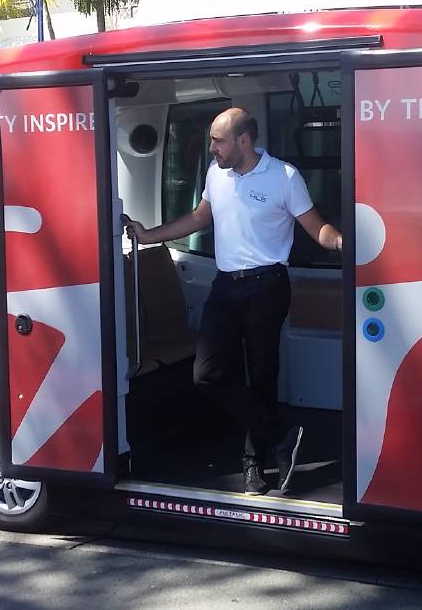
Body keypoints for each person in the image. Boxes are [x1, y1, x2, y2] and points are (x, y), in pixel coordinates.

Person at [125, 108, 342, 496]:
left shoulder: (284, 177)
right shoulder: (215, 174)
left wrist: (343, 241)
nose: (212, 149)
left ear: (244, 140)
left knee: (261, 379)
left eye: (218, 141)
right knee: (206, 373)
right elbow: (198, 218)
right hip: (225, 286)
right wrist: (149, 235)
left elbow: (317, 227)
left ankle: (252, 465)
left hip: (267, 285)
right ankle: (281, 435)